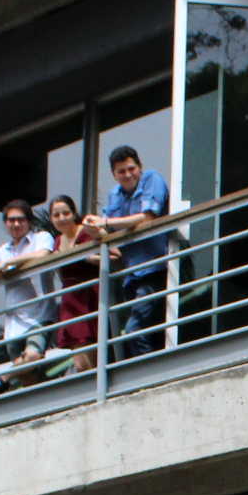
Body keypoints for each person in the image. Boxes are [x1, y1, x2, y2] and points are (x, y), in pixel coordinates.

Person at [87, 146, 171, 358]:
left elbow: (148, 216)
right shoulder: (114, 195)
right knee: (142, 329)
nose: (127, 175)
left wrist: (105, 222)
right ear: (114, 175)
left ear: (139, 167)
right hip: (132, 274)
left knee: (135, 329)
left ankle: (148, 377)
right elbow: (105, 232)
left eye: (131, 168)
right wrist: (92, 230)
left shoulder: (151, 179)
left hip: (156, 268)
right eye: (121, 172)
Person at [0, 200, 56, 390]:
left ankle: (3, 378)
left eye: (20, 219)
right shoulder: (3, 251)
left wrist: (11, 264)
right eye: (11, 220)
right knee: (28, 377)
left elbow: (43, 255)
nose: (16, 224)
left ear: (28, 221)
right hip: (14, 323)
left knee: (32, 356)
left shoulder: (41, 238)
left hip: (40, 316)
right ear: (5, 223)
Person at [46, 195, 103, 375]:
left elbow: (107, 255)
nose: (62, 218)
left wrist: (86, 257)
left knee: (91, 356)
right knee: (79, 362)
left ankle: (97, 389)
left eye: (66, 213)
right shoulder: (56, 241)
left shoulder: (85, 233)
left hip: (88, 295)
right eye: (56, 215)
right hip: (69, 299)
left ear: (74, 213)